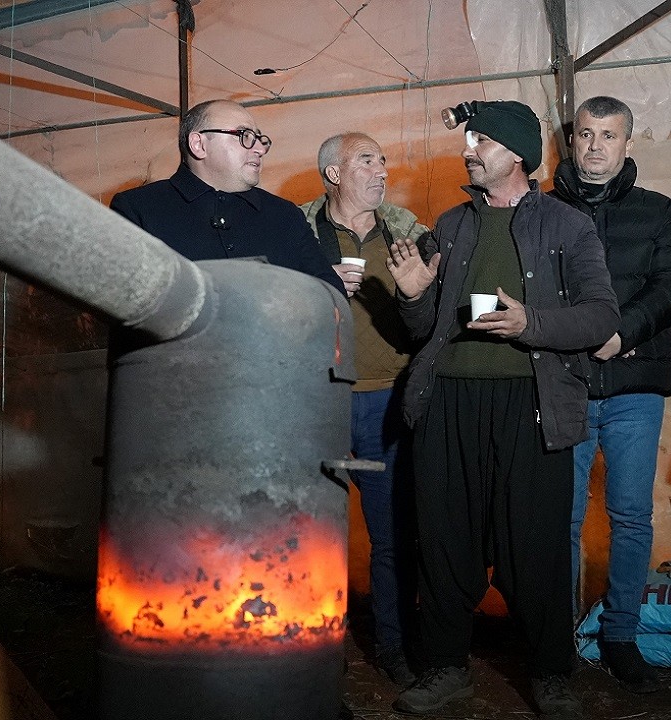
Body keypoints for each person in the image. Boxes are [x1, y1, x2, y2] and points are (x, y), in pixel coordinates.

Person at [386, 100, 619, 717]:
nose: (469, 150)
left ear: (517, 153)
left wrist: (529, 323)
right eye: (469, 140)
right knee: (444, 540)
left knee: (535, 546)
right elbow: (423, 329)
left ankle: (551, 674)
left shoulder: (567, 226)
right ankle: (444, 667)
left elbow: (601, 316)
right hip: (448, 403)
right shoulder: (450, 225)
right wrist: (412, 296)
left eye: (482, 140)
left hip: (529, 403)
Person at [550, 96, 671, 694]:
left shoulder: (658, 212)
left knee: (631, 515)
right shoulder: (542, 211)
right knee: (561, 516)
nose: (595, 146)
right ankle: (556, 640)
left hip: (634, 386)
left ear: (628, 143)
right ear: (572, 140)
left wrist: (623, 332)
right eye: (586, 134)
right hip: (567, 386)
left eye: (608, 136)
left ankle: (621, 636)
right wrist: (575, 339)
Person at [300, 132, 434, 685]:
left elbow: (431, 320)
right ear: (333, 174)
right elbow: (267, 302)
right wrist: (317, 284)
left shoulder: (409, 234)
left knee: (394, 533)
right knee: (309, 533)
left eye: (383, 161)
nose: (382, 170)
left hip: (387, 400)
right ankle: (304, 646)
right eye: (366, 161)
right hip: (316, 401)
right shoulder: (297, 233)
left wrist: (417, 291)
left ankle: (394, 646)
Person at [110, 99, 344, 296]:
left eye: (260, 139)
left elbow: (331, 293)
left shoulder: (285, 215)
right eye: (244, 135)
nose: (259, 149)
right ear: (199, 144)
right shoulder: (137, 209)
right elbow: (123, 298)